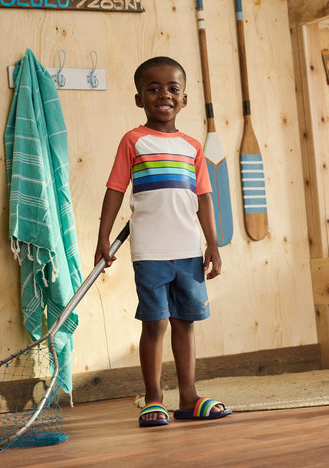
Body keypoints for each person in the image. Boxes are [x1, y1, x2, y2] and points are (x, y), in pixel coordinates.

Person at [94, 56, 232, 427]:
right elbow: (115, 189)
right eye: (153, 89)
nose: (164, 95)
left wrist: (213, 244)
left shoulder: (192, 147)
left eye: (173, 89)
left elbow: (204, 197)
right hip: (151, 252)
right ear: (139, 99)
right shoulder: (133, 141)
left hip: (187, 250)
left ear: (184, 99)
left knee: (185, 322)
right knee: (155, 324)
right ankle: (153, 398)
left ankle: (189, 397)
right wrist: (103, 236)